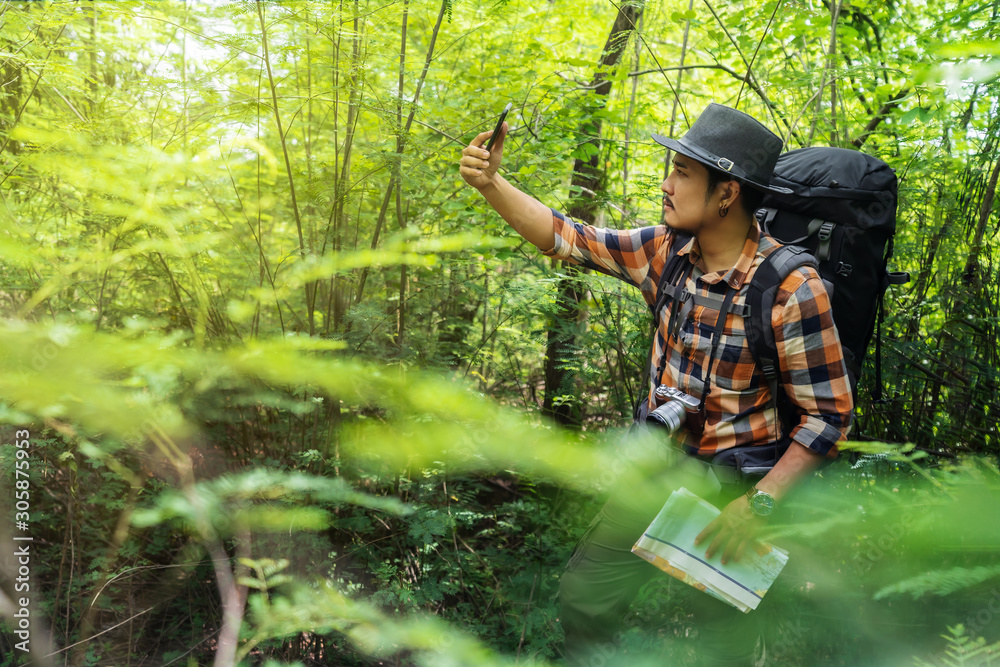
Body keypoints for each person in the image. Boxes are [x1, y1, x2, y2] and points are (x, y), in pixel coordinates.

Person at [459, 102, 854, 665]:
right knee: (584, 598)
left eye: (683, 173)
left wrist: (758, 506)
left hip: (733, 491)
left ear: (727, 194)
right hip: (654, 469)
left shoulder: (790, 289)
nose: (666, 184)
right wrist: (491, 183)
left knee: (723, 642)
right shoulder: (665, 253)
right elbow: (569, 236)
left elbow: (829, 416)